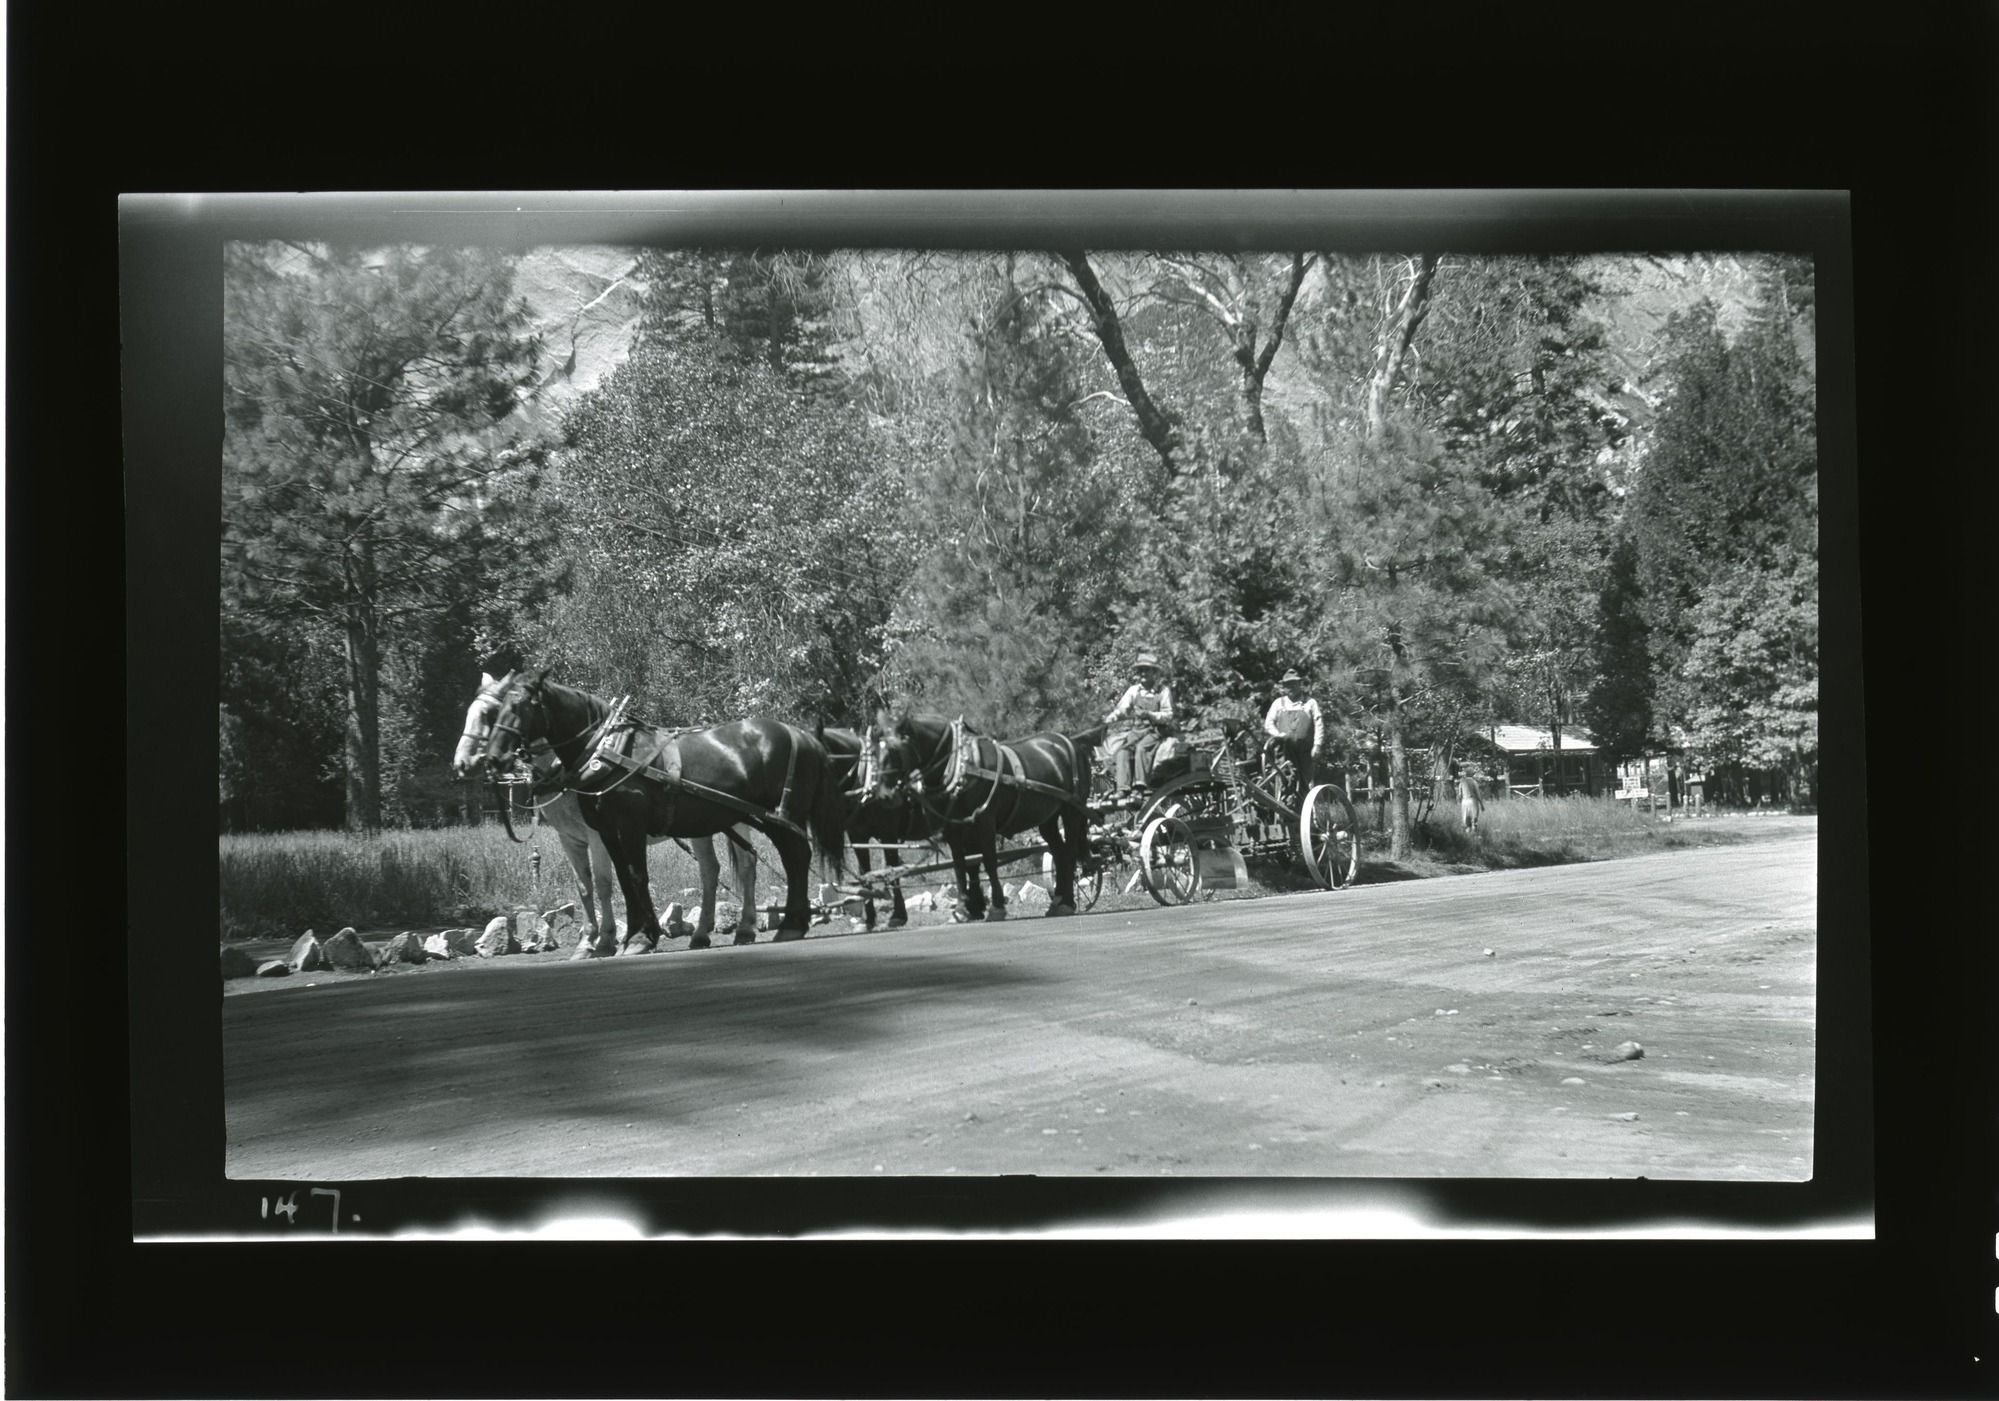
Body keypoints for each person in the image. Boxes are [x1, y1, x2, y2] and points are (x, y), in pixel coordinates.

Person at [1103, 653, 1175, 803]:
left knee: (1142, 748)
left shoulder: (1162, 691)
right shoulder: (1133, 691)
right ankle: (1123, 789)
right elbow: (1122, 709)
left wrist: (1150, 715)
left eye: (1146, 670)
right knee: (1122, 751)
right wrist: (1111, 717)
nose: (1142, 673)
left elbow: (1168, 715)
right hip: (1136, 732)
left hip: (1155, 732)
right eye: (1140, 670)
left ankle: (1139, 789)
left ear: (1154, 673)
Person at [1262, 667, 1324, 795]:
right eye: (1287, 684)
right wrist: (1278, 734)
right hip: (1284, 751)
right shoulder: (1278, 703)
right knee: (1285, 780)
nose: (1291, 687)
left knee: (1305, 782)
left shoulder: (1310, 703)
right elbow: (1268, 723)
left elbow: (1319, 724)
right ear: (1283, 687)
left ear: (1300, 684)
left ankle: (1304, 806)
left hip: (1305, 752)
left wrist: (1317, 745)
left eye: (1294, 683)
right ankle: (1285, 805)